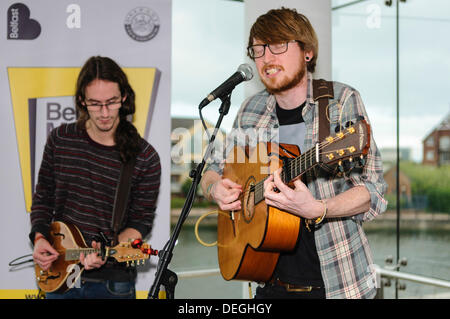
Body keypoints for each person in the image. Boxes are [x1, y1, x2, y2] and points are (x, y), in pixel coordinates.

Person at [201, 8, 387, 299]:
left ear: (307, 52)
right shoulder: (250, 110)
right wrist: (215, 188)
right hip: (268, 281)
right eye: (258, 50)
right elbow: (212, 168)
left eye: (278, 46)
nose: (266, 58)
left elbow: (373, 191)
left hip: (339, 285)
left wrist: (318, 209)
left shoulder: (340, 102)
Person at [30, 56, 161, 299]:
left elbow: (141, 222)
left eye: (111, 102)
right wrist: (39, 237)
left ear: (124, 97)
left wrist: (106, 250)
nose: (104, 113)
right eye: (94, 103)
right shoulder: (60, 139)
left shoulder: (144, 157)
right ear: (81, 100)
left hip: (112, 285)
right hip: (60, 278)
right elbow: (43, 197)